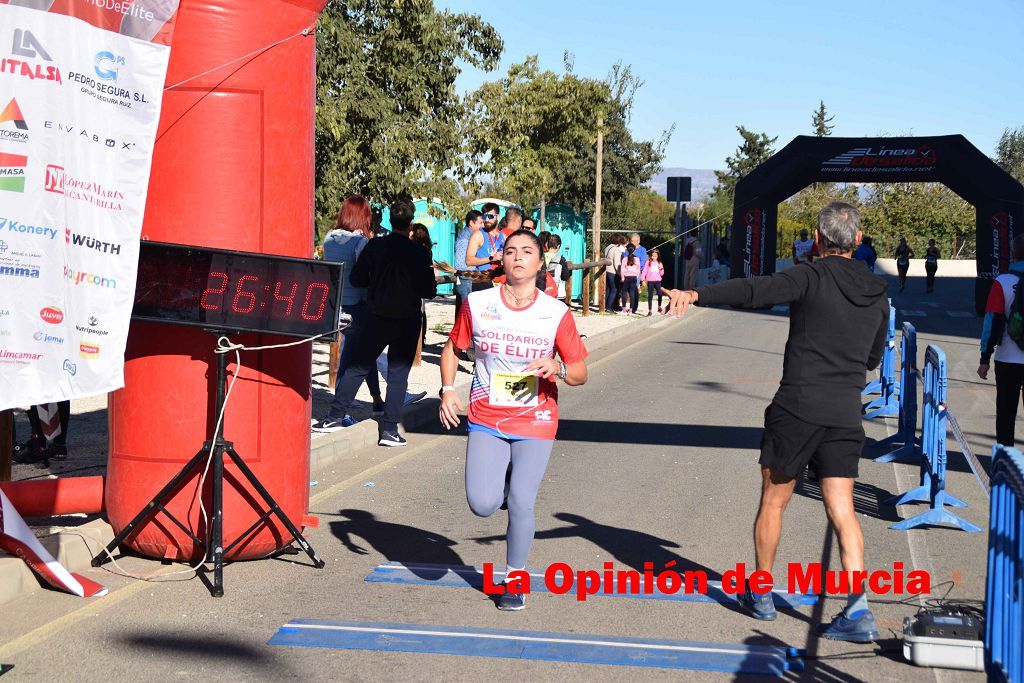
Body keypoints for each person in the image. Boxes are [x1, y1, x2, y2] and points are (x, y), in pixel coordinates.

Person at [663, 201, 888, 642]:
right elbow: (874, 358)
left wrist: (696, 293)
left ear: (819, 241)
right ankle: (858, 611)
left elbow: (754, 290)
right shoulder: (878, 293)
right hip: (844, 412)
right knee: (842, 508)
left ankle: (762, 594)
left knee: (774, 500)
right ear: (858, 241)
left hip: (797, 408)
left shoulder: (809, 276)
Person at [439, 229, 589, 611]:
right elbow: (453, 349)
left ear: (541, 263)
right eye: (510, 251)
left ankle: (514, 580)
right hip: (487, 415)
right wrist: (447, 390)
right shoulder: (478, 303)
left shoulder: (555, 313)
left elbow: (580, 372)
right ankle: (501, 486)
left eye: (527, 252)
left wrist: (556, 366)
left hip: (535, 418)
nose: (518, 257)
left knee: (523, 501)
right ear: (500, 261)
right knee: (482, 504)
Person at [313, 197, 438, 446]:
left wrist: (378, 285)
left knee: (357, 366)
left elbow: (358, 279)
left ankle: (335, 416)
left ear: (390, 221)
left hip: (376, 315)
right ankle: (390, 430)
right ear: (410, 224)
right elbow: (430, 290)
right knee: (397, 375)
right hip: (407, 319)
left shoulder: (375, 246)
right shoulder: (420, 252)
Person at [322, 195, 385, 413]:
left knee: (357, 353)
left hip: (336, 302)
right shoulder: (361, 242)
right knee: (356, 355)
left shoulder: (329, 238)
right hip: (358, 305)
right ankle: (342, 403)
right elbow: (366, 275)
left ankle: (375, 398)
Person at [979, 234, 1024, 447]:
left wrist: (984, 357)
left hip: (1008, 357)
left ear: (1014, 254)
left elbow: (992, 321)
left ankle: (1005, 464)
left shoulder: (1002, 282)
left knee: (1006, 413)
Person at [467, 202, 505, 291]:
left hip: (499, 282)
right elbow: (468, 260)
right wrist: (491, 258)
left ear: (498, 217)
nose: (487, 219)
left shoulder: (503, 237)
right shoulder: (478, 235)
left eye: (491, 216)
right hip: (481, 282)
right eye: (484, 217)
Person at [454, 210, 483, 314]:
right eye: (480, 223)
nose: (482, 226)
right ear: (471, 223)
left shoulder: (470, 237)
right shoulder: (465, 240)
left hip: (468, 280)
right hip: (465, 280)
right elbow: (460, 265)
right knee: (465, 312)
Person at [603, 234, 626, 312]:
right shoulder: (616, 250)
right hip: (613, 272)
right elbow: (616, 263)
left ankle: (605, 306)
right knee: (614, 289)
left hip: (607, 271)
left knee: (608, 289)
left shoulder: (607, 247)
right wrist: (620, 273)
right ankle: (609, 307)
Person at [545, 234, 571, 299]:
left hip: (542, 293)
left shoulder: (540, 257)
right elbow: (565, 277)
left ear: (547, 245)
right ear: (558, 246)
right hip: (557, 294)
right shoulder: (561, 259)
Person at [641, 248, 665, 316]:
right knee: (650, 296)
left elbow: (662, 274)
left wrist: (661, 269)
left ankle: (659, 307)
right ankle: (650, 310)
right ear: (650, 255)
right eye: (652, 256)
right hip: (650, 281)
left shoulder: (659, 263)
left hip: (657, 281)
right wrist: (643, 280)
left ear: (658, 256)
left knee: (660, 294)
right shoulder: (648, 262)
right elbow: (644, 271)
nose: (653, 257)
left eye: (655, 256)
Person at [619, 243, 641, 315]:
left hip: (626, 278)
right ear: (634, 250)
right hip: (634, 277)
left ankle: (624, 310)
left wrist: (622, 278)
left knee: (624, 293)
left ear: (627, 250)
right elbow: (638, 269)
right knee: (632, 294)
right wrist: (636, 276)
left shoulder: (625, 259)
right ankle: (631, 310)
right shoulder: (637, 259)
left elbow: (622, 269)